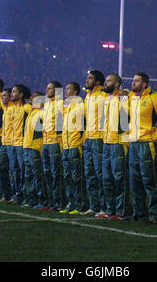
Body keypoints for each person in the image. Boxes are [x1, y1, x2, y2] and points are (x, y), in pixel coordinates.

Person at [127, 72, 157, 222]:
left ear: (144, 84)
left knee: (149, 179)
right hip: (134, 143)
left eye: (136, 81)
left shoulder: (153, 97)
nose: (133, 83)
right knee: (135, 180)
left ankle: (154, 214)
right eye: (133, 80)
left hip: (148, 142)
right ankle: (138, 213)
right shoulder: (130, 97)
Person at [100, 74, 131, 221]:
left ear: (117, 84)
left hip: (118, 143)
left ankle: (121, 211)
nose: (105, 83)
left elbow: (127, 118)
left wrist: (124, 140)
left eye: (109, 81)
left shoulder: (123, 97)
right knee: (107, 179)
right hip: (106, 143)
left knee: (119, 179)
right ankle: (110, 210)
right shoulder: (107, 99)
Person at [81, 70, 107, 217]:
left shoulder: (103, 96)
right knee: (89, 174)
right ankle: (94, 206)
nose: (87, 80)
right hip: (88, 139)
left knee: (100, 174)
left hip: (99, 139)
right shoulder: (87, 97)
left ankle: (104, 207)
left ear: (97, 82)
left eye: (90, 78)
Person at [60, 82, 87, 215]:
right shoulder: (67, 107)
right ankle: (71, 203)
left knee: (77, 178)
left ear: (76, 92)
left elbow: (86, 123)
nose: (66, 91)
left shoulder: (81, 105)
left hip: (75, 146)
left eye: (68, 88)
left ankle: (80, 204)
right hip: (66, 146)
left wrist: (80, 141)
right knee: (68, 177)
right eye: (65, 88)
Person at [41, 81, 64, 212]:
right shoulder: (47, 104)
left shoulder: (61, 104)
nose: (47, 90)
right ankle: (50, 202)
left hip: (56, 142)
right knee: (47, 173)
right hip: (46, 143)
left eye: (49, 88)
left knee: (56, 174)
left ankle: (59, 202)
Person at [9, 84, 32, 207]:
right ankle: (18, 195)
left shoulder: (26, 107)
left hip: (22, 144)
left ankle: (26, 196)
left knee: (24, 172)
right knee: (15, 171)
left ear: (21, 94)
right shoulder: (14, 108)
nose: (11, 94)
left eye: (14, 92)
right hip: (13, 143)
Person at [23, 92, 47, 209]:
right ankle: (31, 200)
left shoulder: (41, 113)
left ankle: (42, 201)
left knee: (38, 176)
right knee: (28, 176)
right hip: (27, 147)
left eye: (34, 97)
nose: (31, 98)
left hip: (36, 148)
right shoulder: (32, 113)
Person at [0, 88, 15, 203]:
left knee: (14, 171)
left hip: (13, 144)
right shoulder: (5, 109)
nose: (2, 98)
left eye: (4, 96)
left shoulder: (15, 109)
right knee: (1, 168)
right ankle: (6, 194)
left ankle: (15, 195)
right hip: (4, 143)